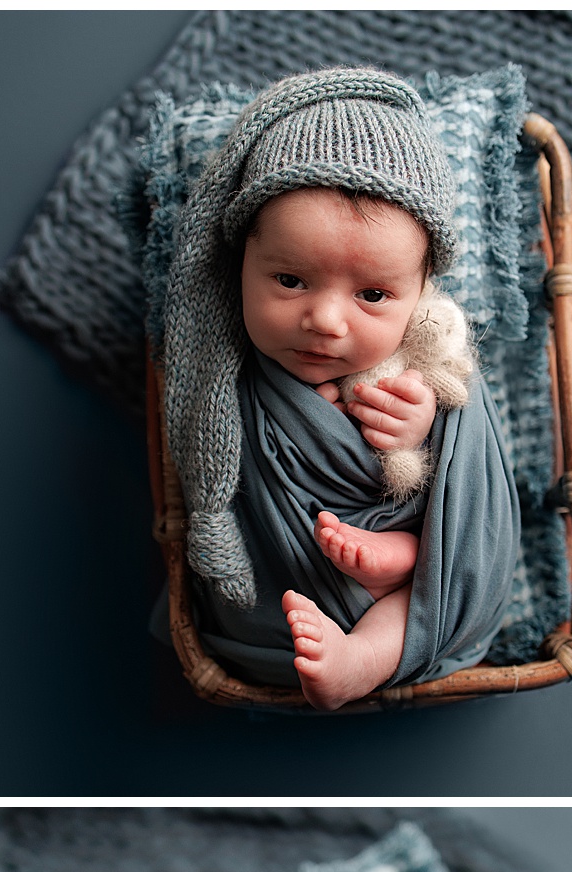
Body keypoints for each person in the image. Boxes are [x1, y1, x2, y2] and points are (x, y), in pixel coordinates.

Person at [157, 68, 521, 706]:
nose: (325, 321)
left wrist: (418, 420)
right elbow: (217, 472)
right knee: (378, 570)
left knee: (437, 556)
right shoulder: (221, 371)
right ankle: (395, 567)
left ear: (420, 293)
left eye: (373, 295)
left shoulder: (419, 357)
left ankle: (375, 629)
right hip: (293, 572)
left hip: (416, 551)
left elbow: (463, 472)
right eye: (291, 281)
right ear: (241, 259)